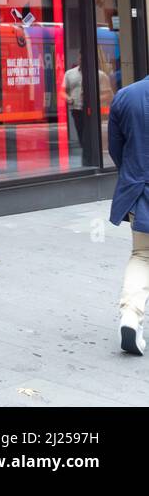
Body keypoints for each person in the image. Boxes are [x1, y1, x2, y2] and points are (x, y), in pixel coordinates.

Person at [106, 71, 149, 355]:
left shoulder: (126, 95)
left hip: (140, 188)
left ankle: (131, 317)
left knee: (142, 255)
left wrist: (132, 173)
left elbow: (115, 148)